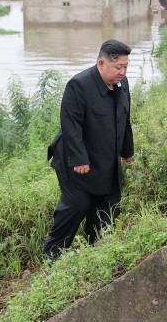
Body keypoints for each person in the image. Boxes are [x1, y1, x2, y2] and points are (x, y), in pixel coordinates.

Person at [43, 39, 134, 261]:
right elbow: (70, 124)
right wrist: (78, 159)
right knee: (78, 204)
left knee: (107, 204)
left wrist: (127, 150)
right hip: (74, 160)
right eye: (117, 67)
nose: (122, 72)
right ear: (101, 64)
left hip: (105, 158)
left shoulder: (123, 85)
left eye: (125, 66)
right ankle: (52, 256)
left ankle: (96, 252)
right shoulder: (79, 85)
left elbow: (125, 118)